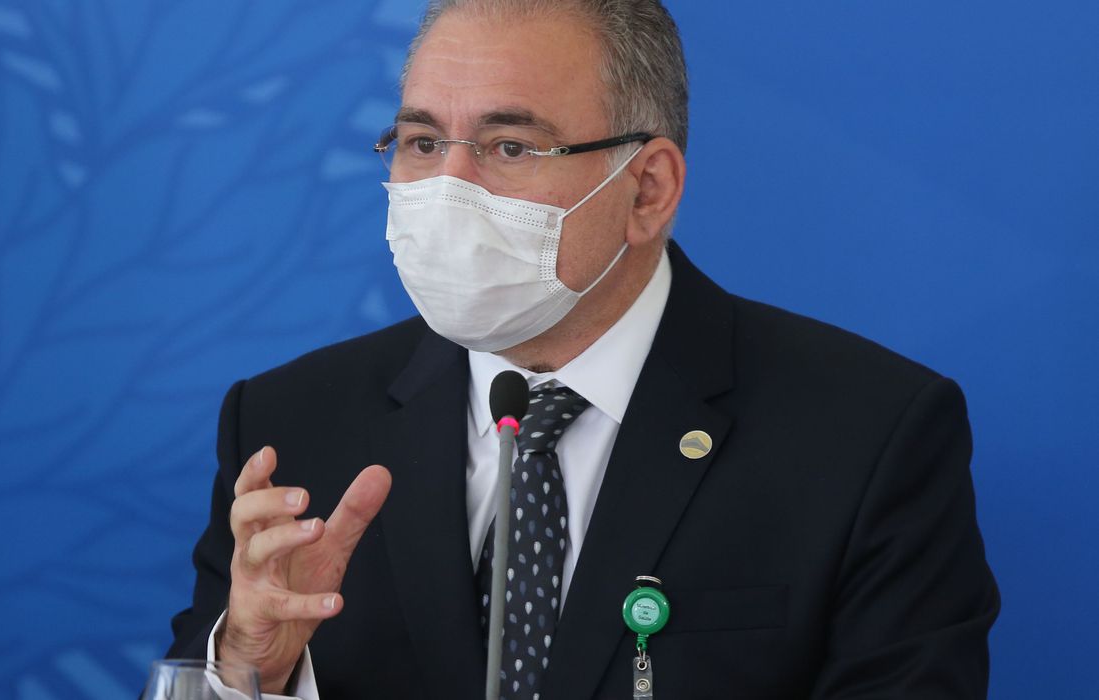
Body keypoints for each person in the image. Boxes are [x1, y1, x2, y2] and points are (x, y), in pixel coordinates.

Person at [166, 1, 1000, 697]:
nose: (449, 189)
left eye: (510, 147)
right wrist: (246, 668)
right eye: (423, 143)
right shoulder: (289, 425)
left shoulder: (867, 436)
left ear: (648, 189)